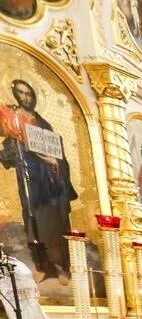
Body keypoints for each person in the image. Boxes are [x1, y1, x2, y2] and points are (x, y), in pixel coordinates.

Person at [0, 79, 78, 279]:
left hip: (50, 185)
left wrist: (55, 163)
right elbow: (9, 156)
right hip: (30, 182)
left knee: (55, 223)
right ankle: (43, 267)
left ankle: (61, 267)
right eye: (21, 93)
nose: (25, 97)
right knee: (33, 222)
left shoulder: (43, 124)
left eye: (28, 93)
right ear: (16, 95)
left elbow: (57, 152)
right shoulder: (14, 123)